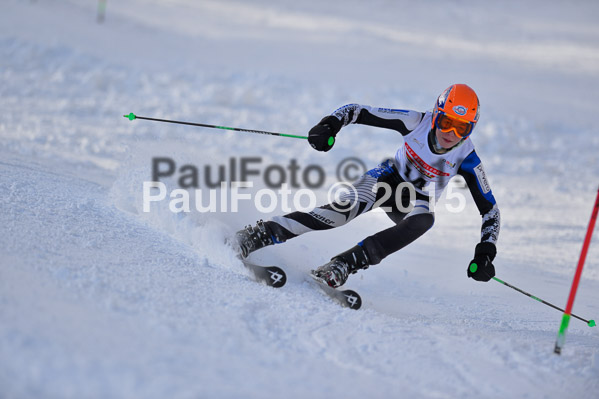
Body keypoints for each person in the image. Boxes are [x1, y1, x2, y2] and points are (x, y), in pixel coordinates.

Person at [234, 84, 500, 288]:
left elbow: (490, 211)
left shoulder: (467, 157)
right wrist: (329, 126)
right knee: (339, 214)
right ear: (436, 115)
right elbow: (356, 110)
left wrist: (486, 252)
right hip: (386, 178)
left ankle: (342, 265)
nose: (450, 134)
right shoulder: (415, 121)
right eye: (446, 122)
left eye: (461, 129)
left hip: (415, 200)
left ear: (470, 130)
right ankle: (260, 234)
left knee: (425, 219)